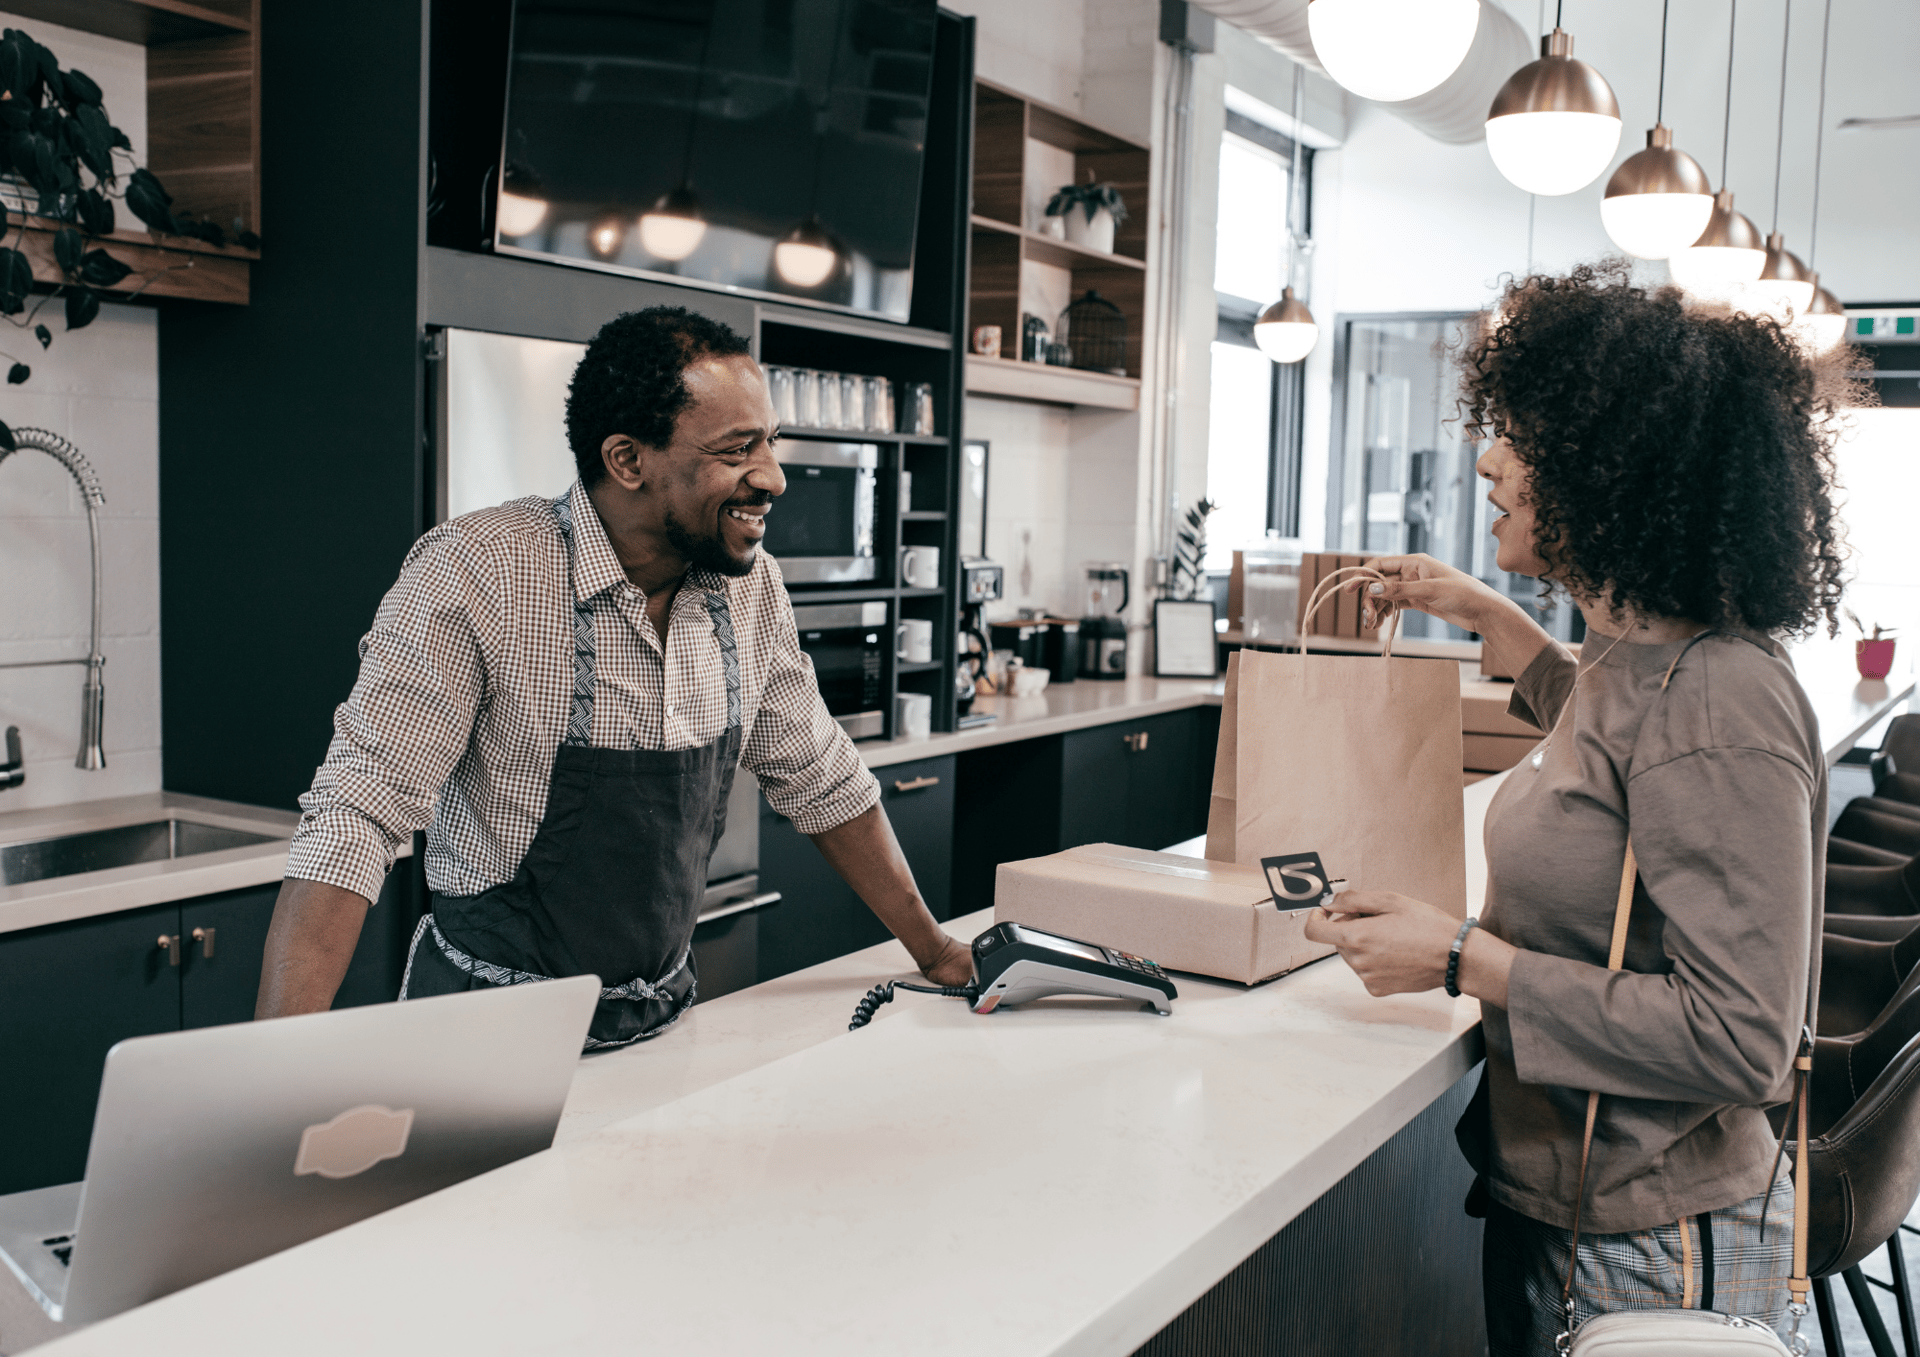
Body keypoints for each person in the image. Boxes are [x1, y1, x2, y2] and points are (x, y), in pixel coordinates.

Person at [1303, 263, 1851, 1354]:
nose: (1488, 459)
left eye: (1520, 436)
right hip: (1582, 1208)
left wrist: (1461, 957)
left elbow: (1742, 1039)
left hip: (1659, 1239)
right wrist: (1493, 620)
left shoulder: (1722, 697)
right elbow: (1616, 757)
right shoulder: (1642, 656)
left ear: (1612, 470)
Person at [256, 306, 973, 1045]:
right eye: (737, 450)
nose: (774, 478)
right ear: (628, 460)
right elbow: (356, 815)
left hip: (662, 1025)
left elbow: (823, 779)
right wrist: (272, 1074)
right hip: (482, 1038)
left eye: (771, 442)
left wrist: (937, 949)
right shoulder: (479, 572)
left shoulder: (751, 589)